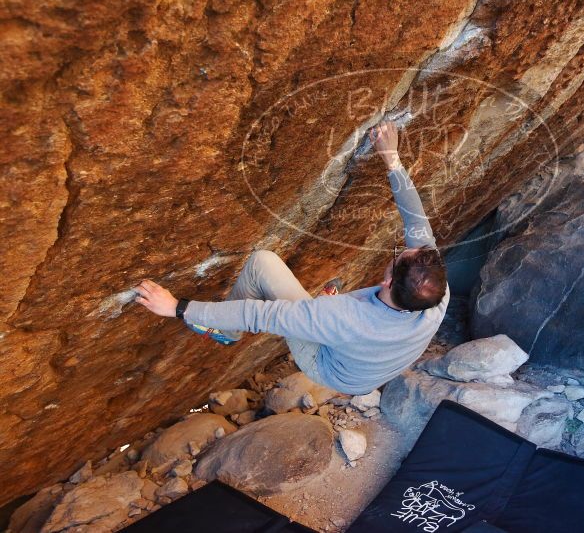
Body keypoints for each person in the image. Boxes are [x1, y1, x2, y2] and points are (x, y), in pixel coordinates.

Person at [134, 120, 450, 395]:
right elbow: (416, 222)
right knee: (329, 318)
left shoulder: (343, 317)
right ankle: (326, 320)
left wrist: (178, 308)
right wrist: (391, 158)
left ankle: (225, 334)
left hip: (329, 368)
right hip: (368, 365)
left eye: (398, 254)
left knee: (261, 263)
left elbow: (260, 315)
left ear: (388, 279)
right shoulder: (436, 293)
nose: (407, 244)